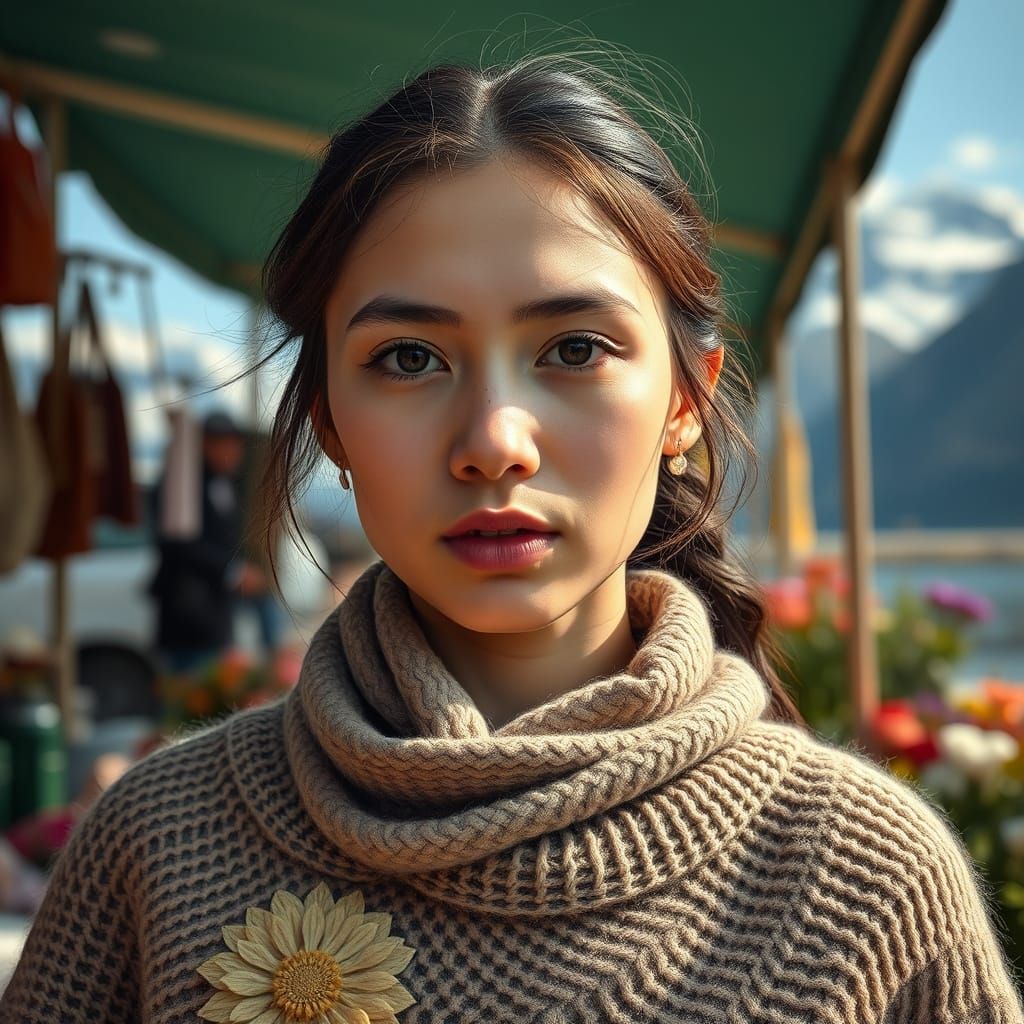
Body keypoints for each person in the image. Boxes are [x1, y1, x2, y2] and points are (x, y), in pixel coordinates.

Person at [3, 52, 1022, 1024]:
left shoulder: (864, 877)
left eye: (574, 348)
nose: (493, 442)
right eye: (408, 357)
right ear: (328, 423)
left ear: (683, 401)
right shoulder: (158, 845)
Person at [147, 410, 263, 673]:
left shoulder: (226, 484)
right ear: (205, 444)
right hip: (187, 612)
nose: (234, 451)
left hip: (216, 612)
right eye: (225, 443)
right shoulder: (180, 485)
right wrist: (232, 571)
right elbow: (179, 544)